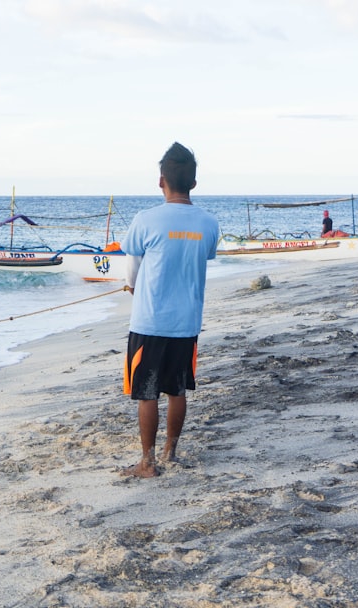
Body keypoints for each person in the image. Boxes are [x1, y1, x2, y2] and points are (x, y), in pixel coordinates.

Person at [119, 142, 221, 478]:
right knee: (176, 390)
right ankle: (169, 453)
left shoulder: (146, 219)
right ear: (193, 182)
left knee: (147, 393)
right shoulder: (208, 223)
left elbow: (133, 264)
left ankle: (147, 462)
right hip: (186, 322)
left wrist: (133, 287)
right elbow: (199, 257)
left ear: (161, 181)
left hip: (149, 321)